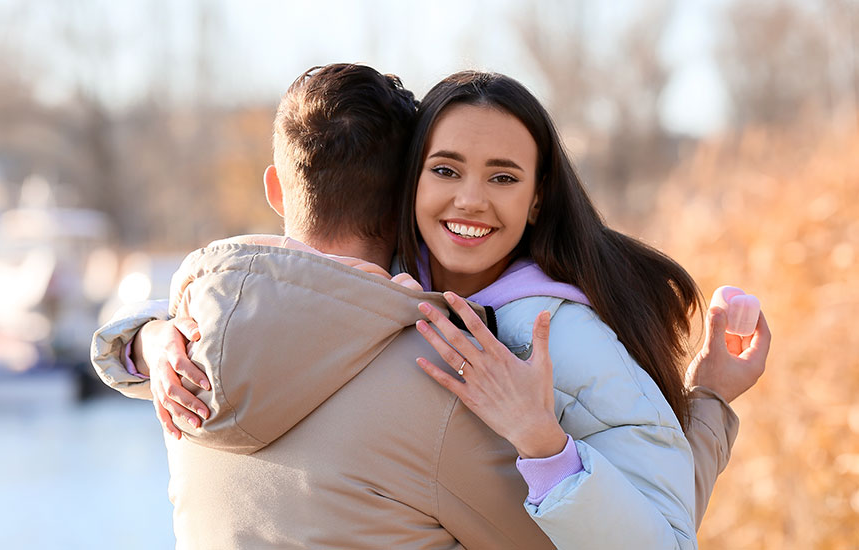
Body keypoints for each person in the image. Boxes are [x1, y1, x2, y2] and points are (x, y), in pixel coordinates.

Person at [92, 65, 770, 548]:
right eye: (445, 170)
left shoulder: (201, 342)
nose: (470, 199)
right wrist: (146, 336)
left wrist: (148, 338)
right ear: (403, 192)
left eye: (502, 177)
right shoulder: (421, 360)